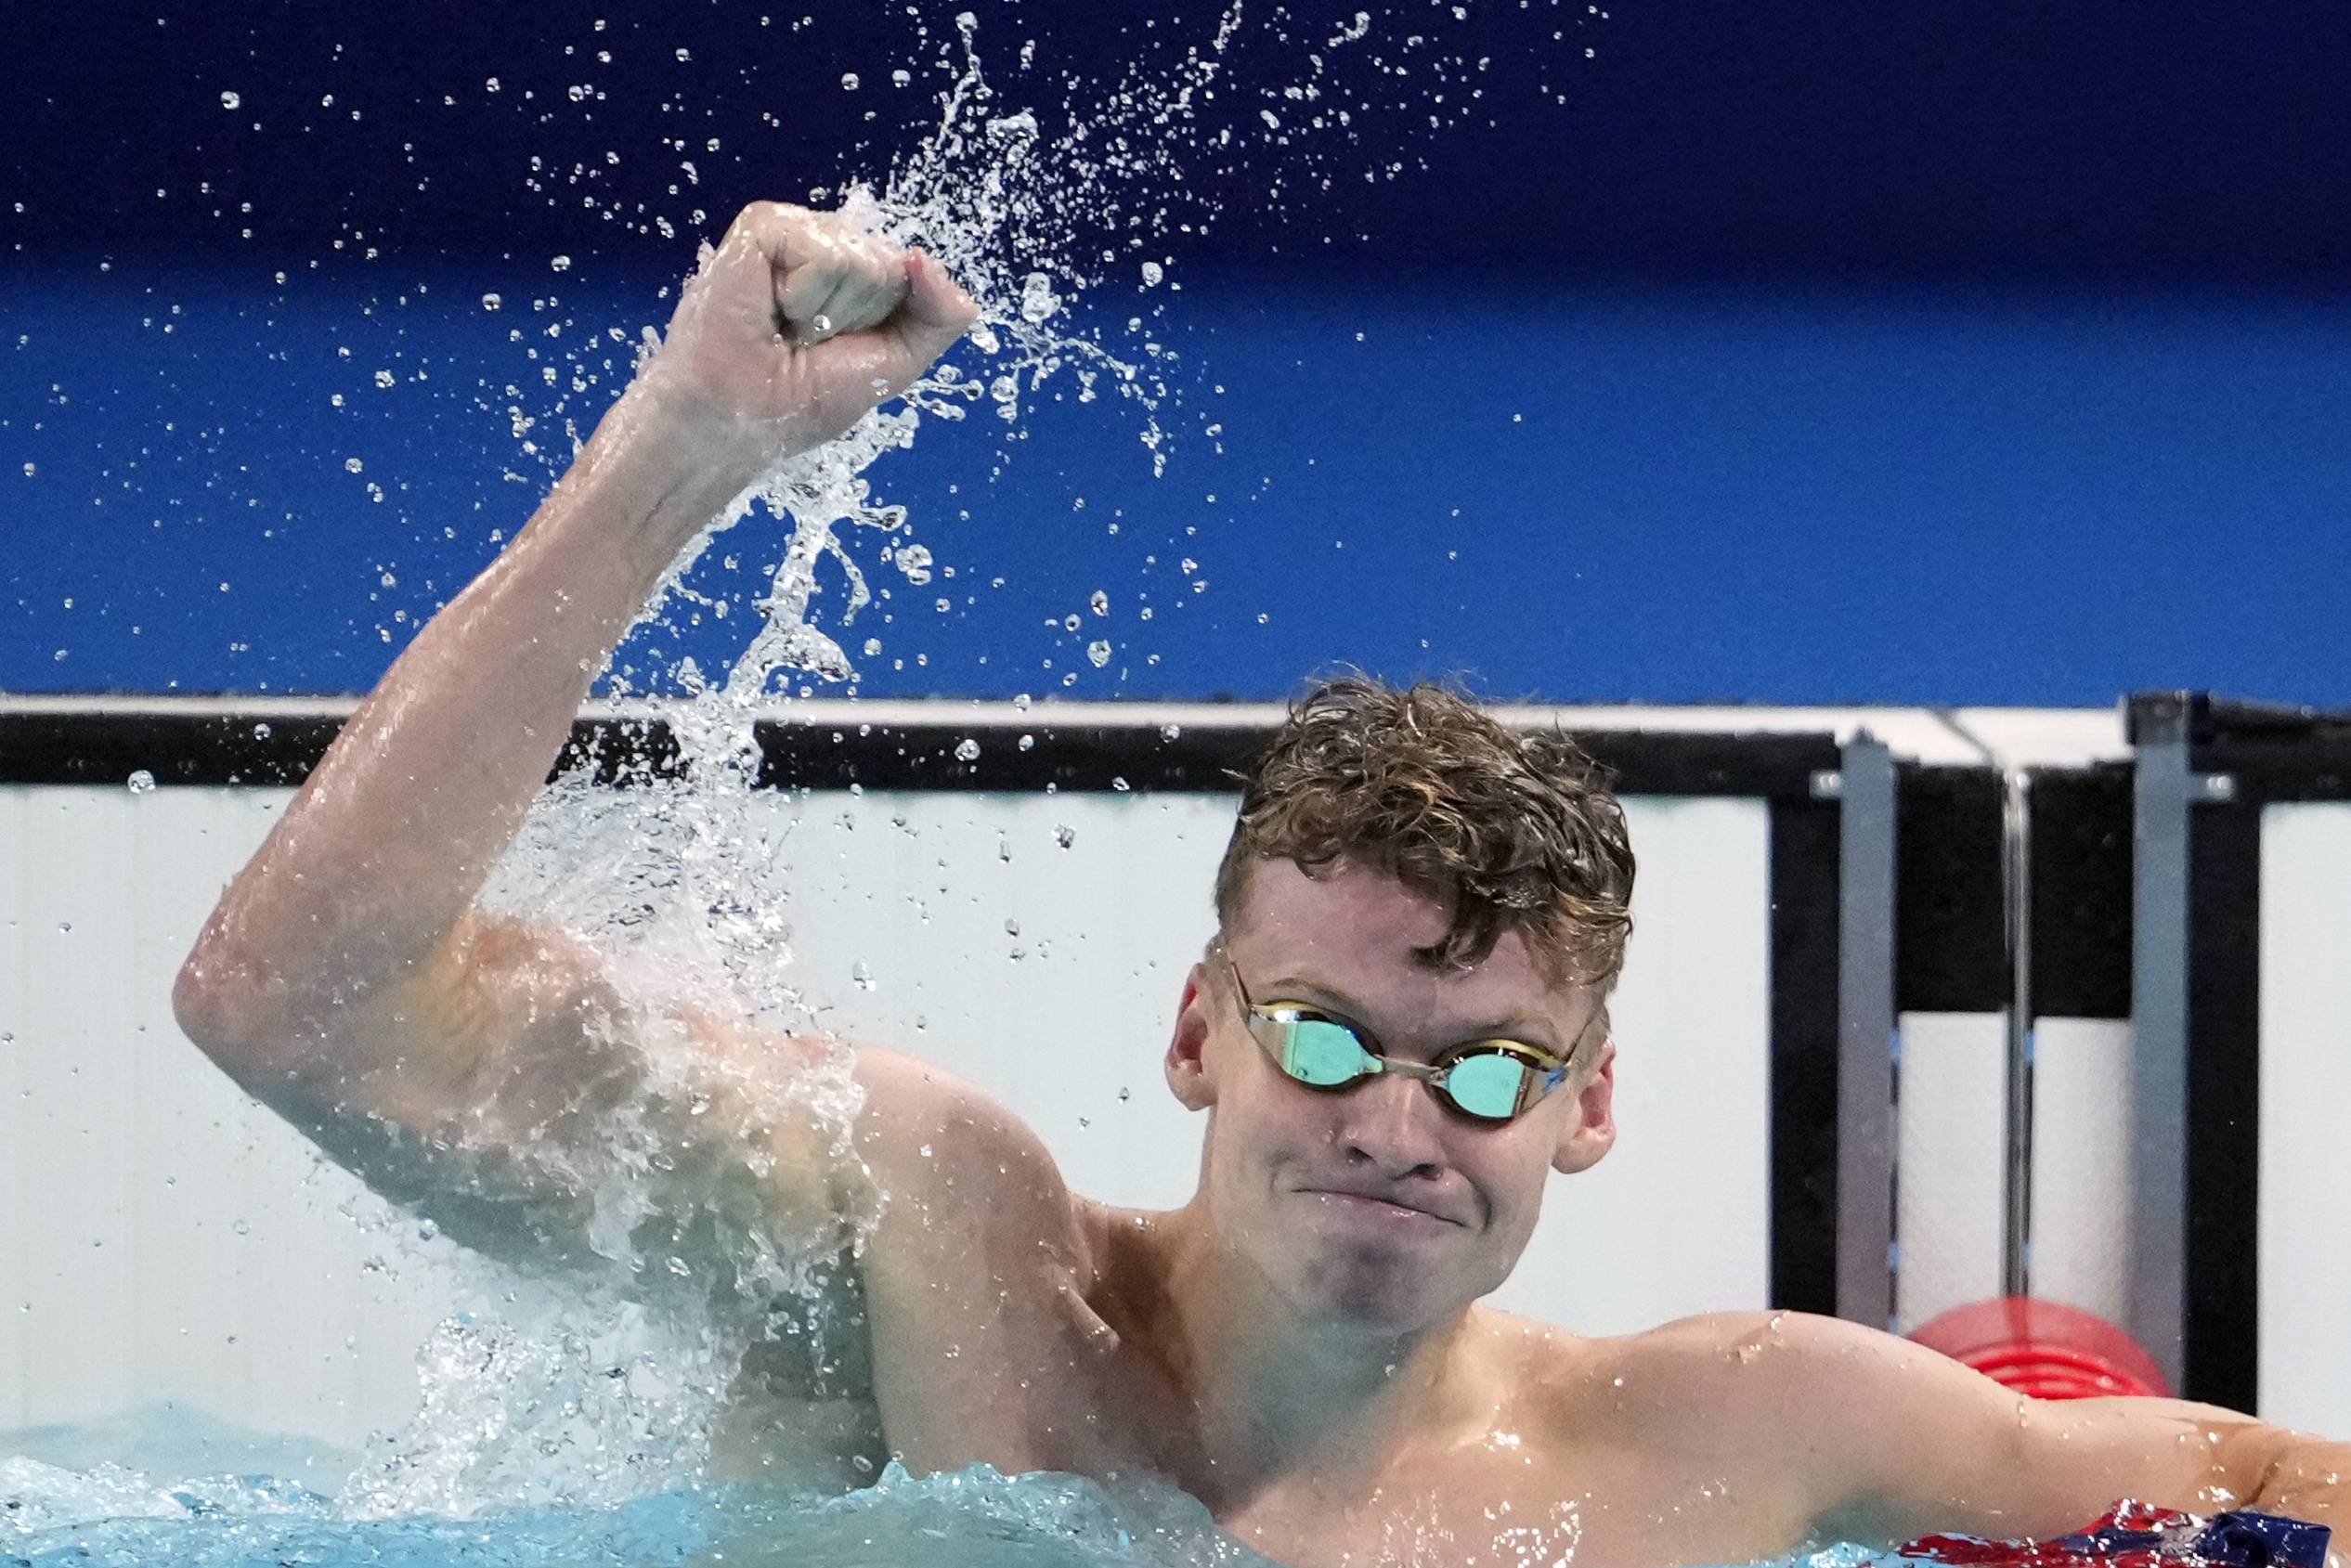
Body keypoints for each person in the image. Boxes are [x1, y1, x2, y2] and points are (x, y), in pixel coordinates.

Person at [174, 201, 2351, 1568]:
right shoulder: (937, 1251)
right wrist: (682, 452)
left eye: (1489, 1067)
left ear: (1593, 1102)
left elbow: (2264, 1479)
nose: (1400, 1123)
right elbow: (294, 999)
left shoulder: (1738, 1437)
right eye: (1325, 1035)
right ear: (1198, 1028)